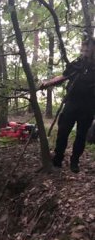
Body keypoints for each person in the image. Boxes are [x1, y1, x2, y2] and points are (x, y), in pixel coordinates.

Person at [40, 37, 95, 173]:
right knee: (63, 132)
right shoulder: (76, 63)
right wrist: (47, 83)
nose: (84, 51)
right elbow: (63, 77)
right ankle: (58, 158)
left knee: (81, 135)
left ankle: (74, 161)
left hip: (88, 107)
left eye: (87, 48)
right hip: (72, 104)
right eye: (83, 48)